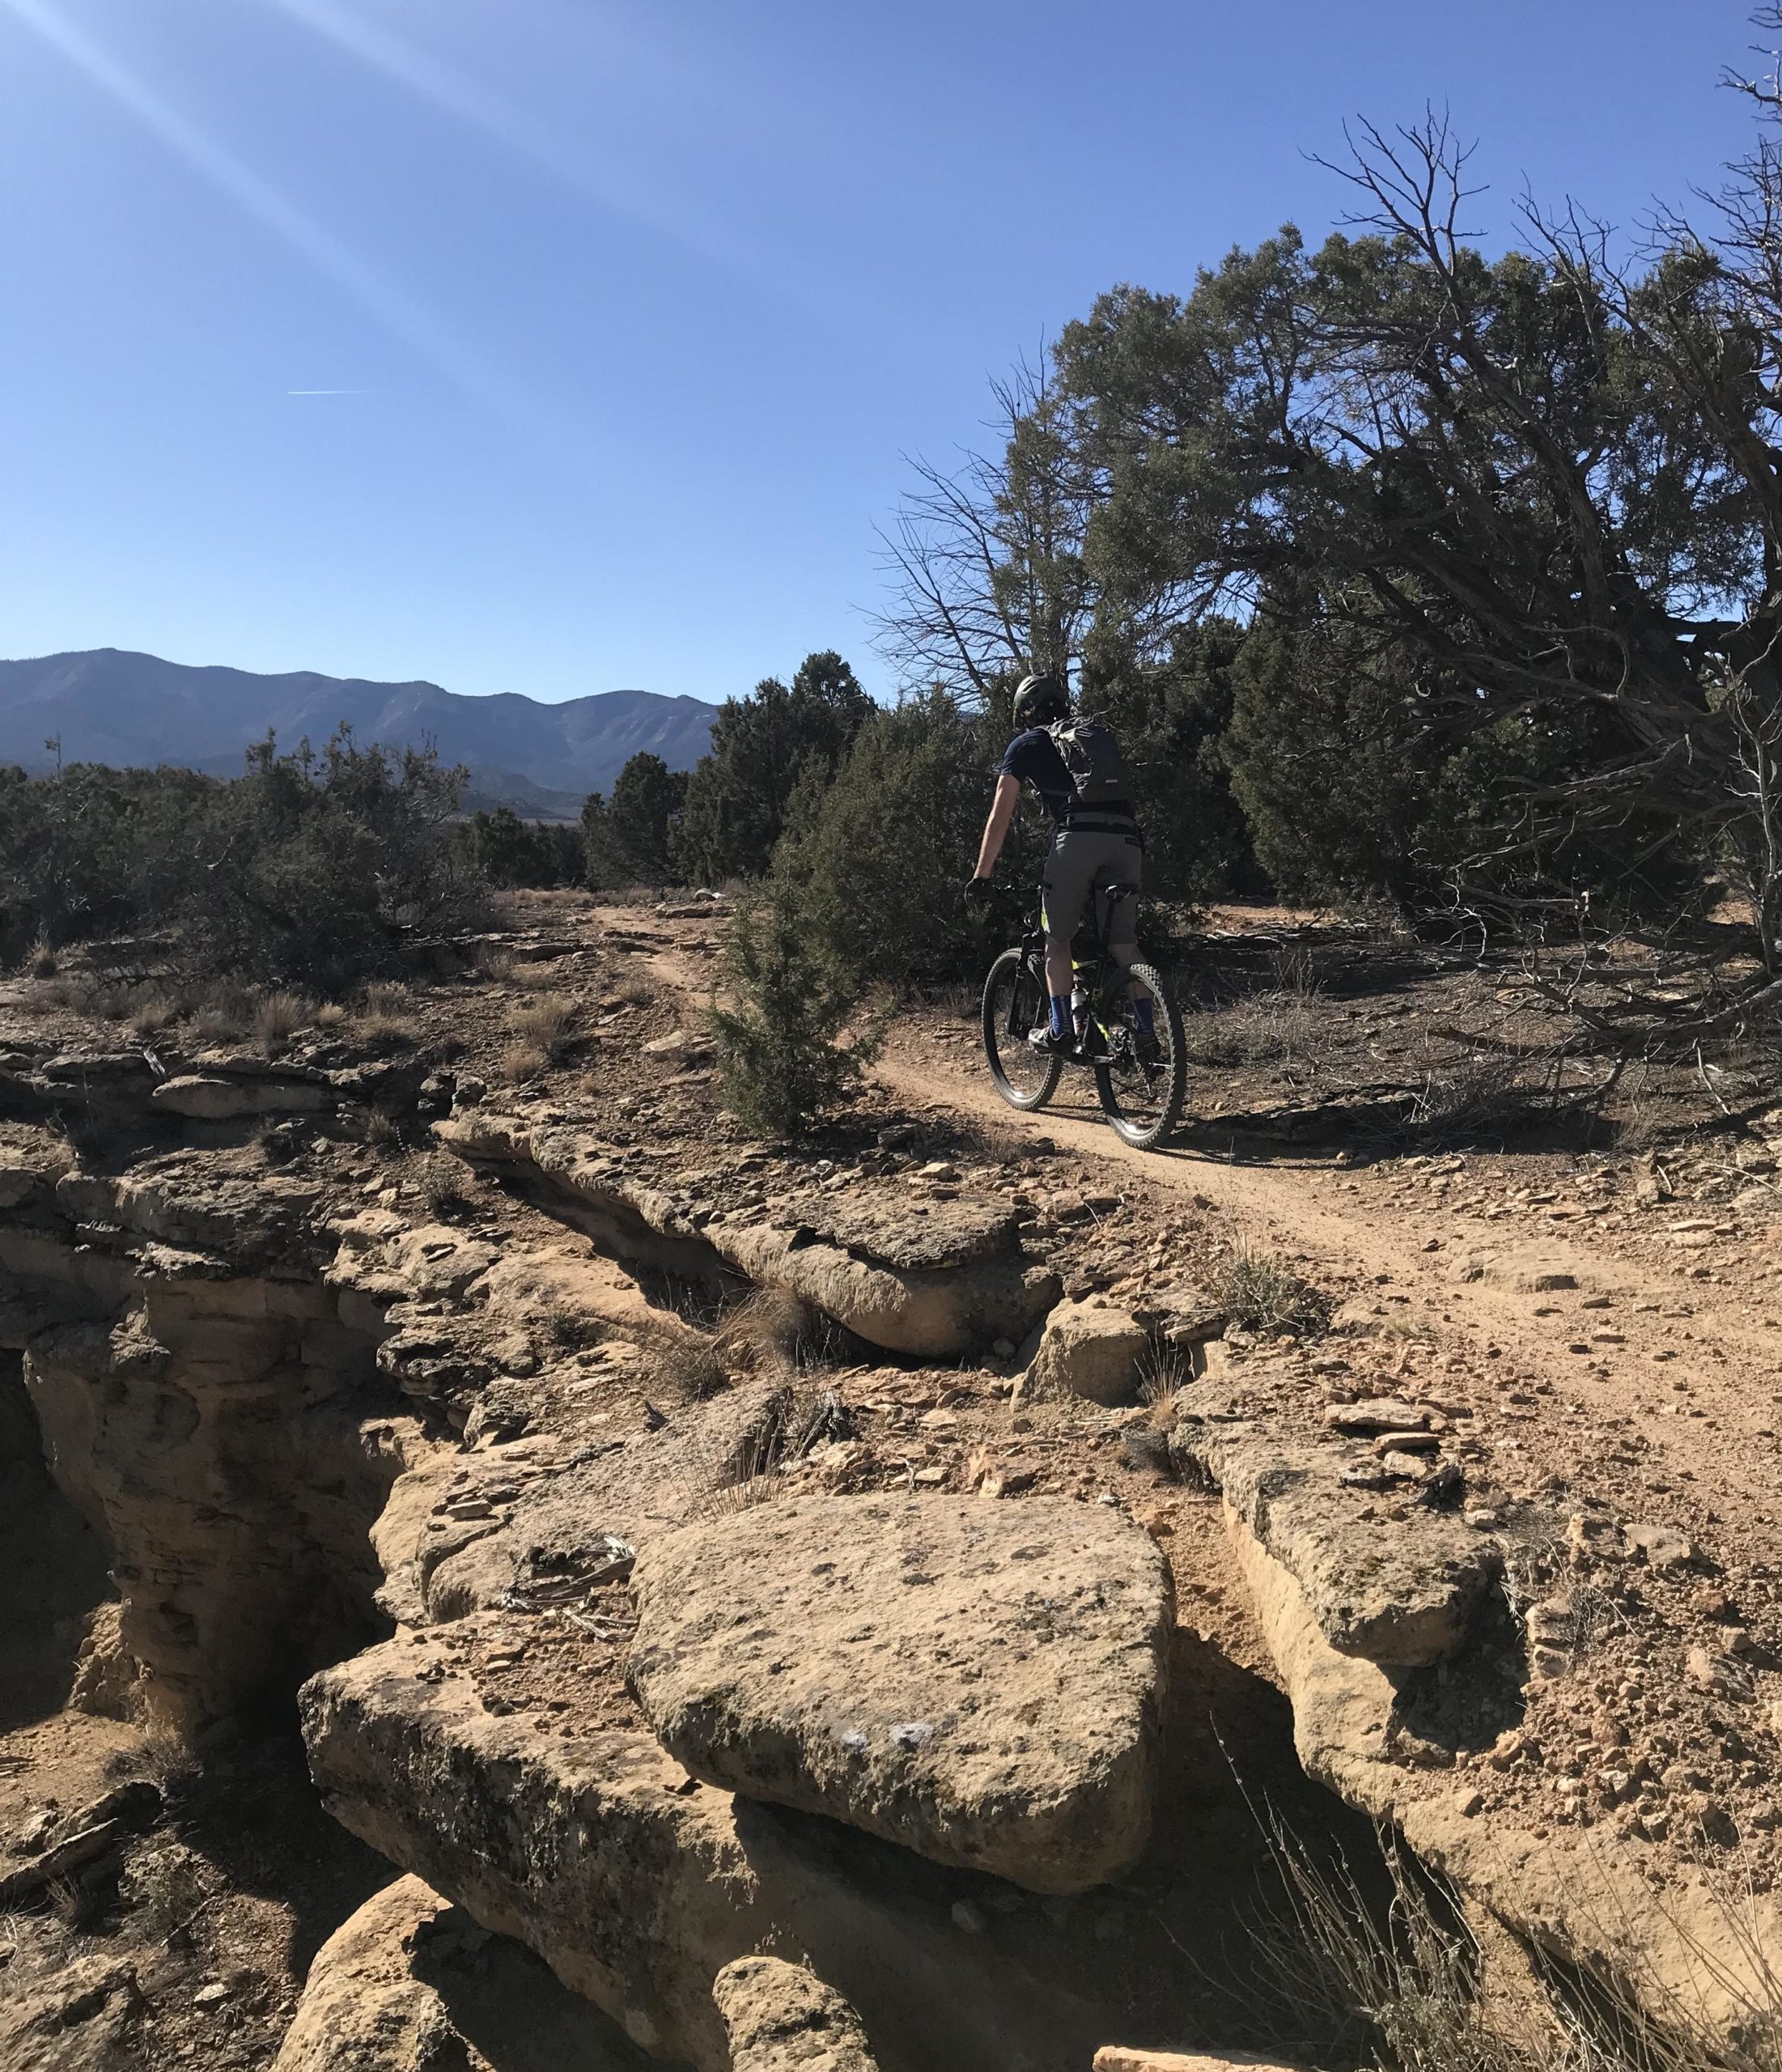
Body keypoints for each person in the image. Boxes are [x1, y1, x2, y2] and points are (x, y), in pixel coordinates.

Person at [966, 672, 1151, 1055]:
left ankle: (1061, 1028)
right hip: (1127, 839)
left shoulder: (1026, 744)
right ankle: (1148, 1035)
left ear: (1026, 712)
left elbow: (1000, 815)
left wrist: (982, 874)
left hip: (1077, 839)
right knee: (1123, 944)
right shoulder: (1094, 736)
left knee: (1057, 940)